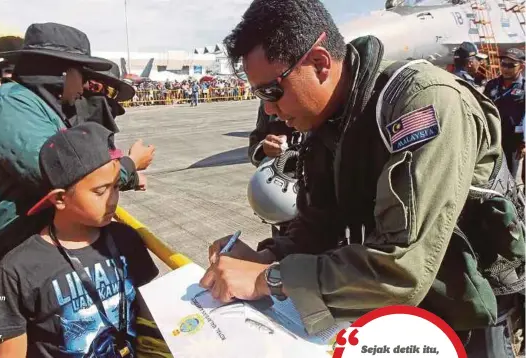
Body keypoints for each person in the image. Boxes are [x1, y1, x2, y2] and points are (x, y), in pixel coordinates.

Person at [200, 1, 524, 356]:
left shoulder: (422, 102)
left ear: (321, 64)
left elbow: (401, 269)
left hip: (471, 308)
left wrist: (270, 279)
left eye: (271, 91)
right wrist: (266, 256)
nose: (268, 110)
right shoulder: (328, 120)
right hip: (393, 311)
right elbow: (319, 226)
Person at [0, 122, 159, 357]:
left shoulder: (126, 239)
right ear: (59, 199)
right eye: (100, 191)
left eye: (117, 186)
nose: (112, 200)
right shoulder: (17, 270)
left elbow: (152, 313)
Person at [0, 22, 116, 269]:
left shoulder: (34, 104)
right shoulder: (10, 108)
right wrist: (128, 166)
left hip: (35, 249)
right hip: (14, 255)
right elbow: (68, 174)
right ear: (63, 74)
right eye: (82, 74)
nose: (85, 86)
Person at [82, 62, 155, 191]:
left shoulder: (94, 124)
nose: (111, 102)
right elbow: (85, 179)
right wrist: (133, 162)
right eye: (98, 88)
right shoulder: (75, 128)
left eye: (114, 94)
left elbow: (101, 172)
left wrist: (131, 178)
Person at [248, 99, 301, 237]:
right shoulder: (268, 102)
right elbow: (255, 143)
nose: (270, 108)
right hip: (283, 198)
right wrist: (264, 148)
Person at [483, 48, 525, 184]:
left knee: (510, 180)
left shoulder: (524, 87)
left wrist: (524, 142)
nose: (505, 68)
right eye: (503, 64)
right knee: (490, 177)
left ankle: (511, 203)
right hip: (492, 139)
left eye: (511, 65)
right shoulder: (491, 85)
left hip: (514, 142)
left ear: (522, 66)